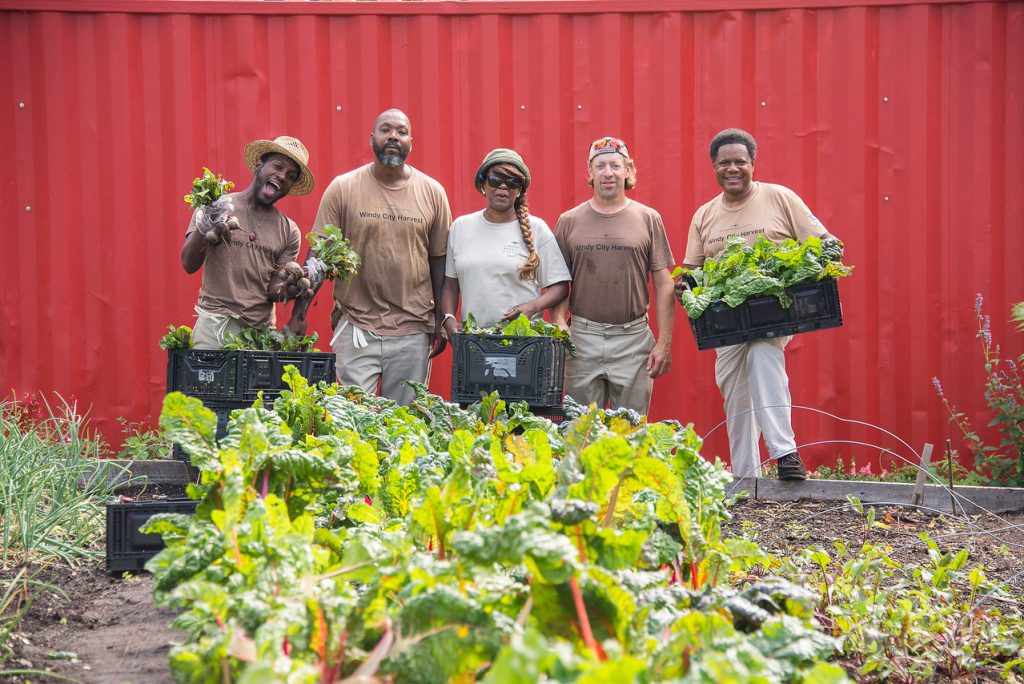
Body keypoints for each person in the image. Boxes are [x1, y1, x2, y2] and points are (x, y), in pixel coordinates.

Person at [681, 127, 838, 480]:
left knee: (763, 357)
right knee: (734, 391)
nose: (732, 169)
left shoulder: (780, 198)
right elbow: (691, 270)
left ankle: (786, 453)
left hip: (774, 308)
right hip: (726, 318)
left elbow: (825, 241)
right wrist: (686, 287)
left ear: (753, 163)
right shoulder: (705, 215)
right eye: (724, 163)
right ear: (714, 166)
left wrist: (817, 262)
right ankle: (746, 476)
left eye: (740, 162)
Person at [285, 109, 452, 406]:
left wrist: (440, 318)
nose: (393, 137)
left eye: (401, 131)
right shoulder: (343, 188)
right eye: (385, 130)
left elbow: (439, 260)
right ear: (372, 138)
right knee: (352, 420)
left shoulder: (433, 193)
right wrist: (299, 315)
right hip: (356, 325)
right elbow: (319, 256)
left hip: (412, 329)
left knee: (404, 428)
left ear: (411, 141)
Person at [552, 136, 676, 415]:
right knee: (578, 433)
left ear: (628, 170)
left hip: (632, 340)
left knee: (631, 435)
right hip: (581, 340)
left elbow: (663, 283)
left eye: (615, 165)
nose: (608, 173)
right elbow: (558, 281)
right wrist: (559, 320)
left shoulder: (648, 218)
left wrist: (664, 343)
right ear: (590, 172)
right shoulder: (568, 221)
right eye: (600, 166)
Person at [181, 135, 314, 349]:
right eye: (277, 166)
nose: (281, 176)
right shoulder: (219, 206)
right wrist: (206, 227)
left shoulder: (289, 231)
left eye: (290, 175)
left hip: (260, 335)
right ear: (259, 164)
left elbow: (273, 290)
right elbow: (188, 264)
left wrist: (292, 287)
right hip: (214, 327)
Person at [437, 148, 570, 341]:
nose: (502, 187)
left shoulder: (536, 229)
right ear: (483, 184)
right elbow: (450, 283)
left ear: (520, 190)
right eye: (494, 180)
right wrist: (448, 318)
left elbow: (560, 286)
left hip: (524, 342)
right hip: (474, 341)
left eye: (512, 182)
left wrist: (531, 307)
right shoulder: (460, 227)